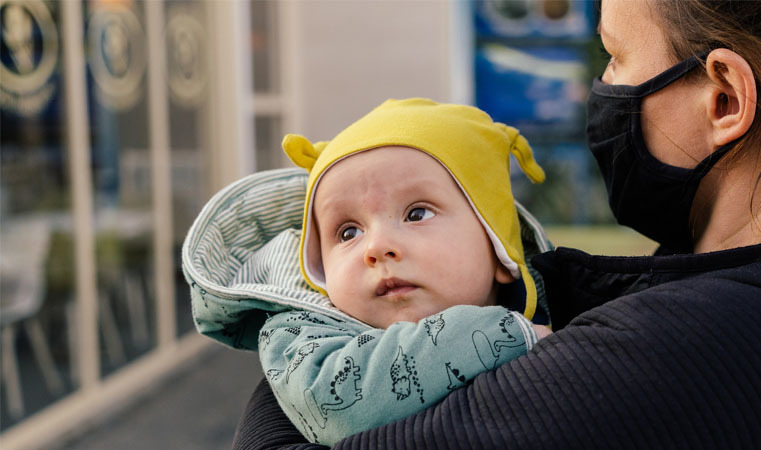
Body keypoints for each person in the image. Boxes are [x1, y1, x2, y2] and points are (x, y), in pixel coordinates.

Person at [228, 0, 761, 448]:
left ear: (722, 99)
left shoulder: (704, 343)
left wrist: (306, 330)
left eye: (615, 55)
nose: (602, 83)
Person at [182, 99, 552, 446]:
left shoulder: (568, 306)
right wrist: (504, 334)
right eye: (348, 232)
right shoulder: (300, 336)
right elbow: (336, 402)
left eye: (417, 213)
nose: (376, 248)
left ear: (499, 250)